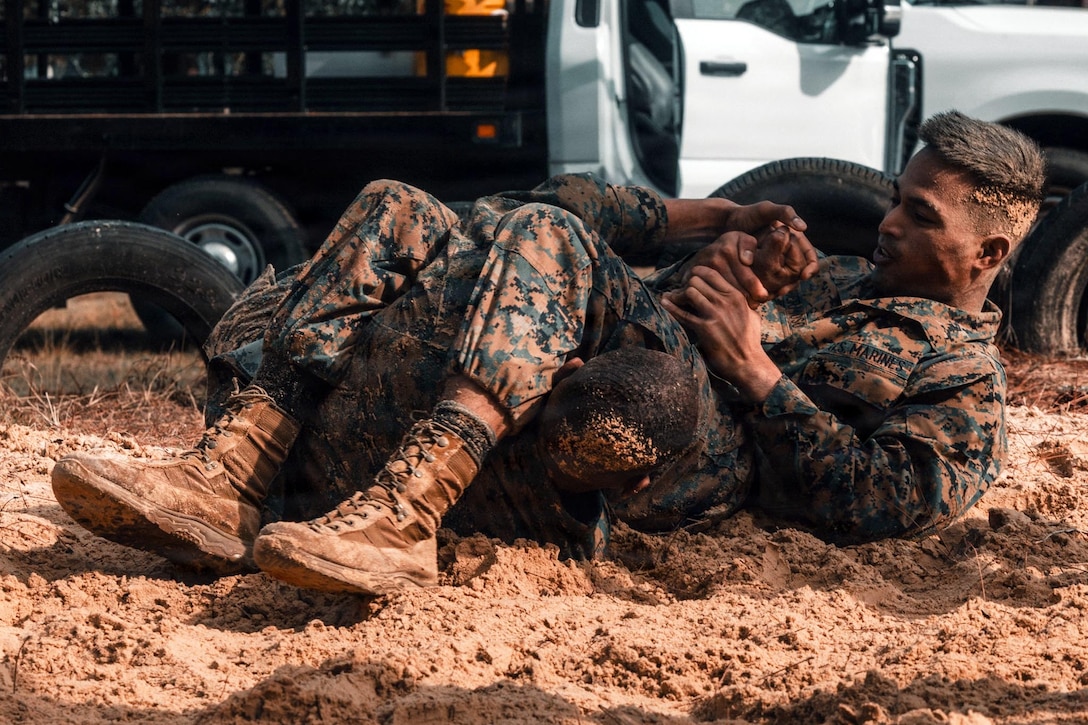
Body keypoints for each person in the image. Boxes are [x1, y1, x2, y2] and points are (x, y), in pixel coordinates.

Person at [51, 110, 1046, 597]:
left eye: (917, 216)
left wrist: (756, 367)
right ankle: (233, 469)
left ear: (987, 252)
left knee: (551, 240)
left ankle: (407, 510)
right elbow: (543, 218)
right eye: (896, 197)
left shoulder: (961, 377)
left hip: (682, 448)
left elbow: (885, 504)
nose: (885, 223)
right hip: (616, 358)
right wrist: (722, 242)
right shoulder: (830, 276)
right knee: (403, 206)